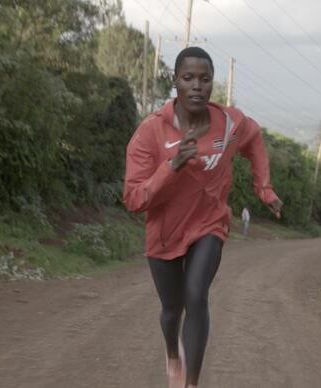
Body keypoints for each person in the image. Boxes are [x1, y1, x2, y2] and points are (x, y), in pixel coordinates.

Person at [123, 47, 283, 388]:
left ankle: (191, 383)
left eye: (205, 79)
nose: (197, 86)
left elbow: (254, 140)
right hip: (164, 235)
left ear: (213, 84)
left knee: (196, 295)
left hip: (209, 225)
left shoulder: (228, 123)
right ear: (175, 82)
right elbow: (134, 199)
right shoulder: (150, 133)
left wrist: (264, 189)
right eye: (188, 78)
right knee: (172, 310)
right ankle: (172, 354)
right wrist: (173, 166)